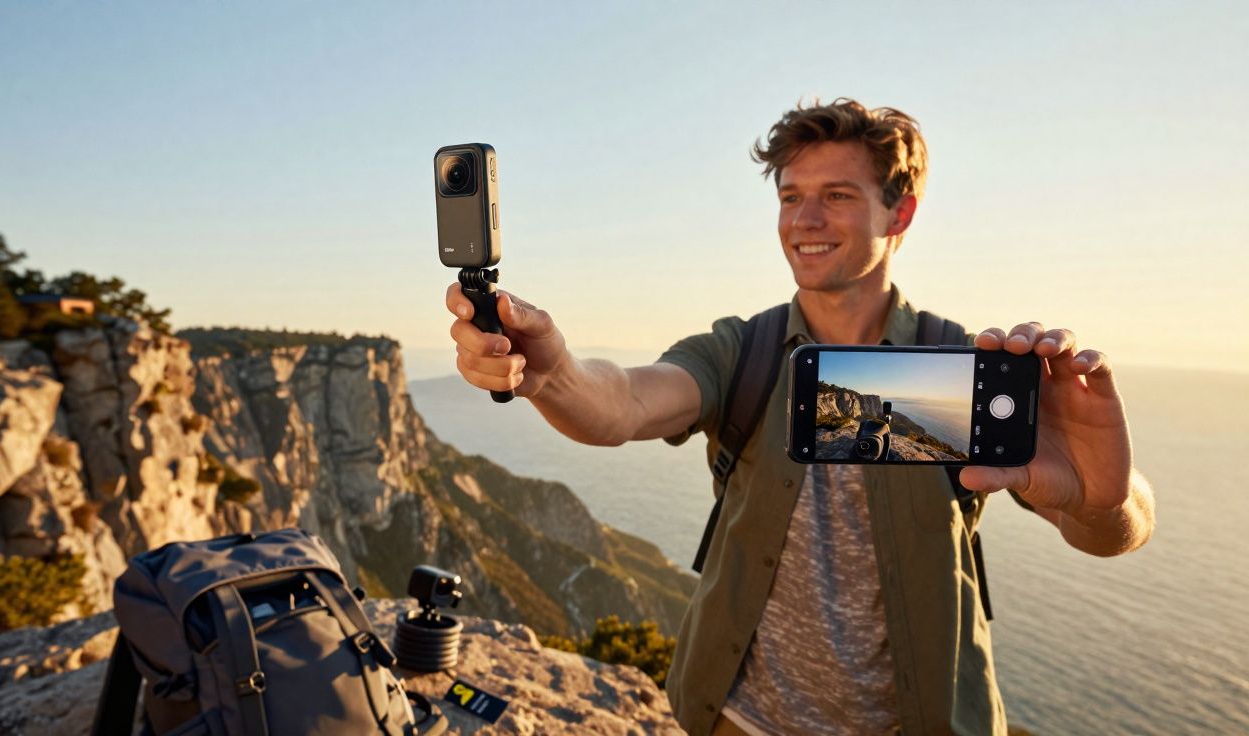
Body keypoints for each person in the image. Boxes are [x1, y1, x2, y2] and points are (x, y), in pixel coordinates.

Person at [444, 98, 1155, 736]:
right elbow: (625, 401)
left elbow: (1113, 526)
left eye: (837, 195)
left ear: (899, 213)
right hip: (738, 719)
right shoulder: (743, 352)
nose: (805, 221)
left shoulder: (959, 365)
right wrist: (554, 374)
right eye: (791, 197)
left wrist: (1105, 498)